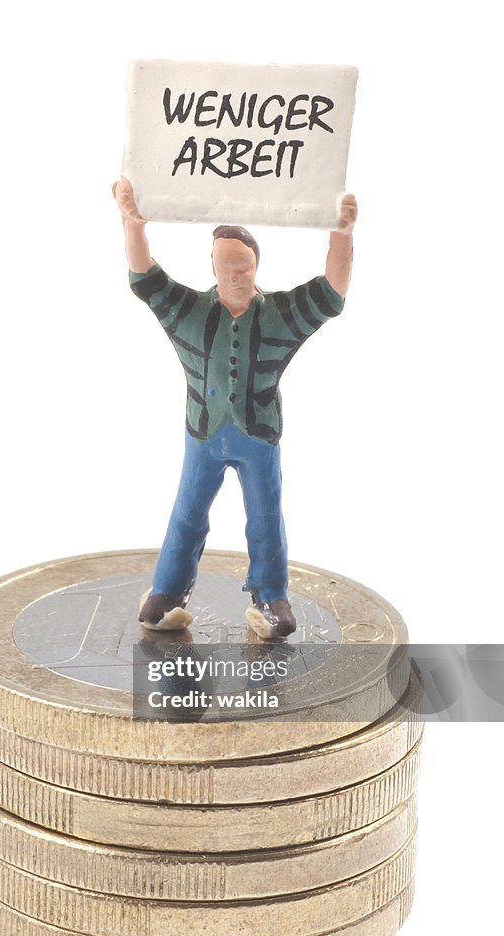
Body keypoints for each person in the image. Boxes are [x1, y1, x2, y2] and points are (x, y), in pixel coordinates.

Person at [113, 177, 357, 638]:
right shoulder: (191, 313)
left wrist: (341, 234)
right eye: (226, 268)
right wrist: (132, 225)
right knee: (187, 511)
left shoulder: (277, 317)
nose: (235, 277)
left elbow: (331, 294)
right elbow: (147, 281)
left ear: (256, 266)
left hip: (259, 434)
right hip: (202, 434)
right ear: (212, 267)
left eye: (242, 268)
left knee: (266, 514)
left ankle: (270, 596)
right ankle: (166, 592)